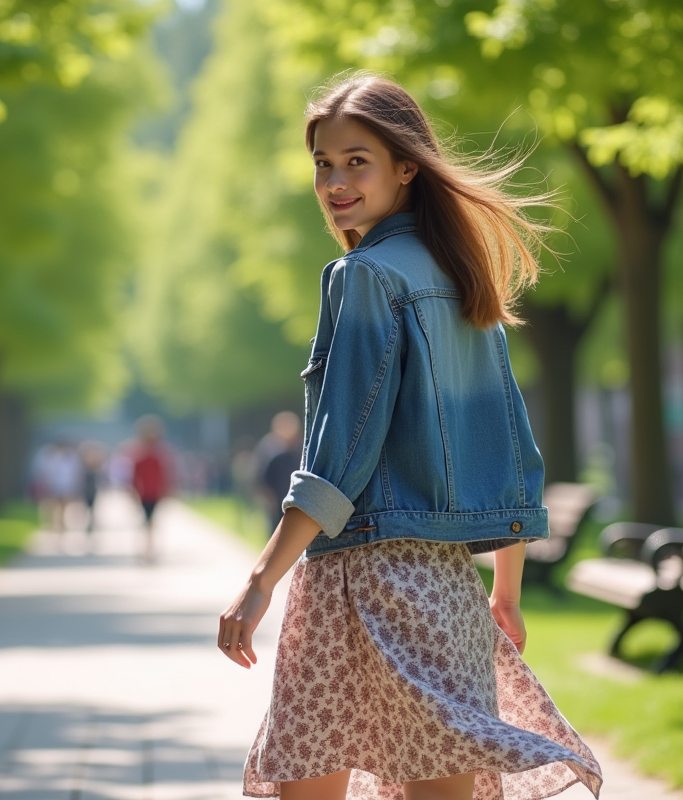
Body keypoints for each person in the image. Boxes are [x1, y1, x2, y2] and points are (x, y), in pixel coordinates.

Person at [218, 75, 602, 800]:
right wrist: (507, 592)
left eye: (355, 160)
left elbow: (339, 454)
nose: (334, 180)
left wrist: (258, 580)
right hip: (447, 593)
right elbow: (510, 450)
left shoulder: (363, 277)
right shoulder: (462, 276)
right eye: (322, 163)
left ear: (407, 165)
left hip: (359, 586)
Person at [128, 415, 171, 563]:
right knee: (147, 521)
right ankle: (147, 548)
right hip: (144, 493)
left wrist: (166, 491)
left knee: (151, 521)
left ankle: (149, 548)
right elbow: (135, 476)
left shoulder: (159, 454)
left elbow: (164, 475)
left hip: (155, 492)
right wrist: (133, 492)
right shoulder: (139, 454)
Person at [254, 411, 303, 531]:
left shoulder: (301, 450)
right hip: (278, 504)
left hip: (299, 504)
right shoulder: (270, 451)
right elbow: (262, 479)